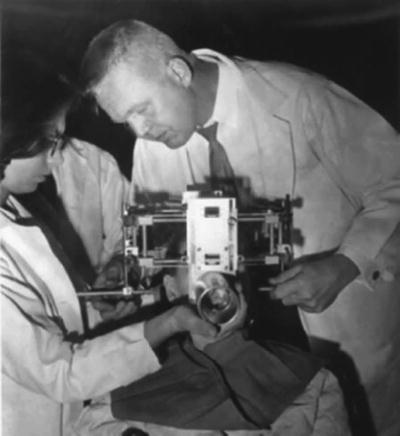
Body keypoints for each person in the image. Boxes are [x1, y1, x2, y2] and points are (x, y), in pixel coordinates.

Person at [79, 19, 400, 436]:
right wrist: (128, 272)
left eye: (142, 109)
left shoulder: (300, 97)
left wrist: (344, 265)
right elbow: (154, 236)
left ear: (178, 72)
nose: (140, 131)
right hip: (246, 355)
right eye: (126, 120)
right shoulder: (152, 147)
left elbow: (392, 182)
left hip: (341, 326)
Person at [0, 51, 217, 436]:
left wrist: (108, 299)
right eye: (49, 141)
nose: (55, 160)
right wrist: (168, 323)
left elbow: (50, 317)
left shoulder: (13, 209)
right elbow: (61, 370)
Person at [76, 241, 349, 436]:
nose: (216, 280)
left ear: (244, 284)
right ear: (171, 288)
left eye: (228, 265)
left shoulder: (313, 382)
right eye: (198, 264)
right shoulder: (123, 389)